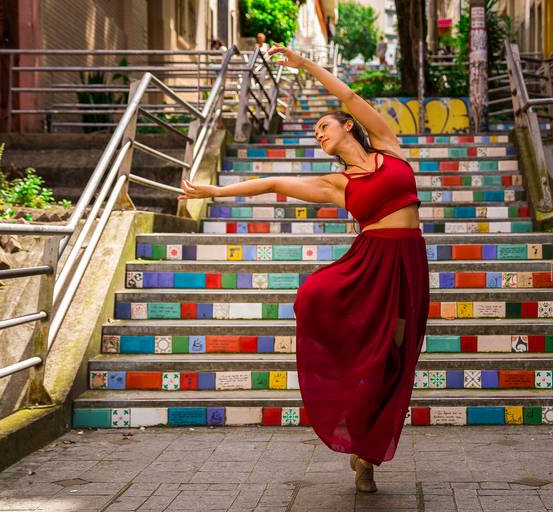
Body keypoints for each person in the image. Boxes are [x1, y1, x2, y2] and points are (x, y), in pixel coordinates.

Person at [178, 44, 430, 494]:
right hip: (369, 264)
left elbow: (350, 96)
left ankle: (366, 449)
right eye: (314, 132)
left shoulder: (390, 146)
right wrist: (213, 192)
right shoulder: (338, 185)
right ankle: (364, 450)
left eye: (323, 126)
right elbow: (274, 182)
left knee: (396, 356)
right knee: (334, 317)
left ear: (347, 126)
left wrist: (306, 65)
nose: (318, 134)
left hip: (408, 263)